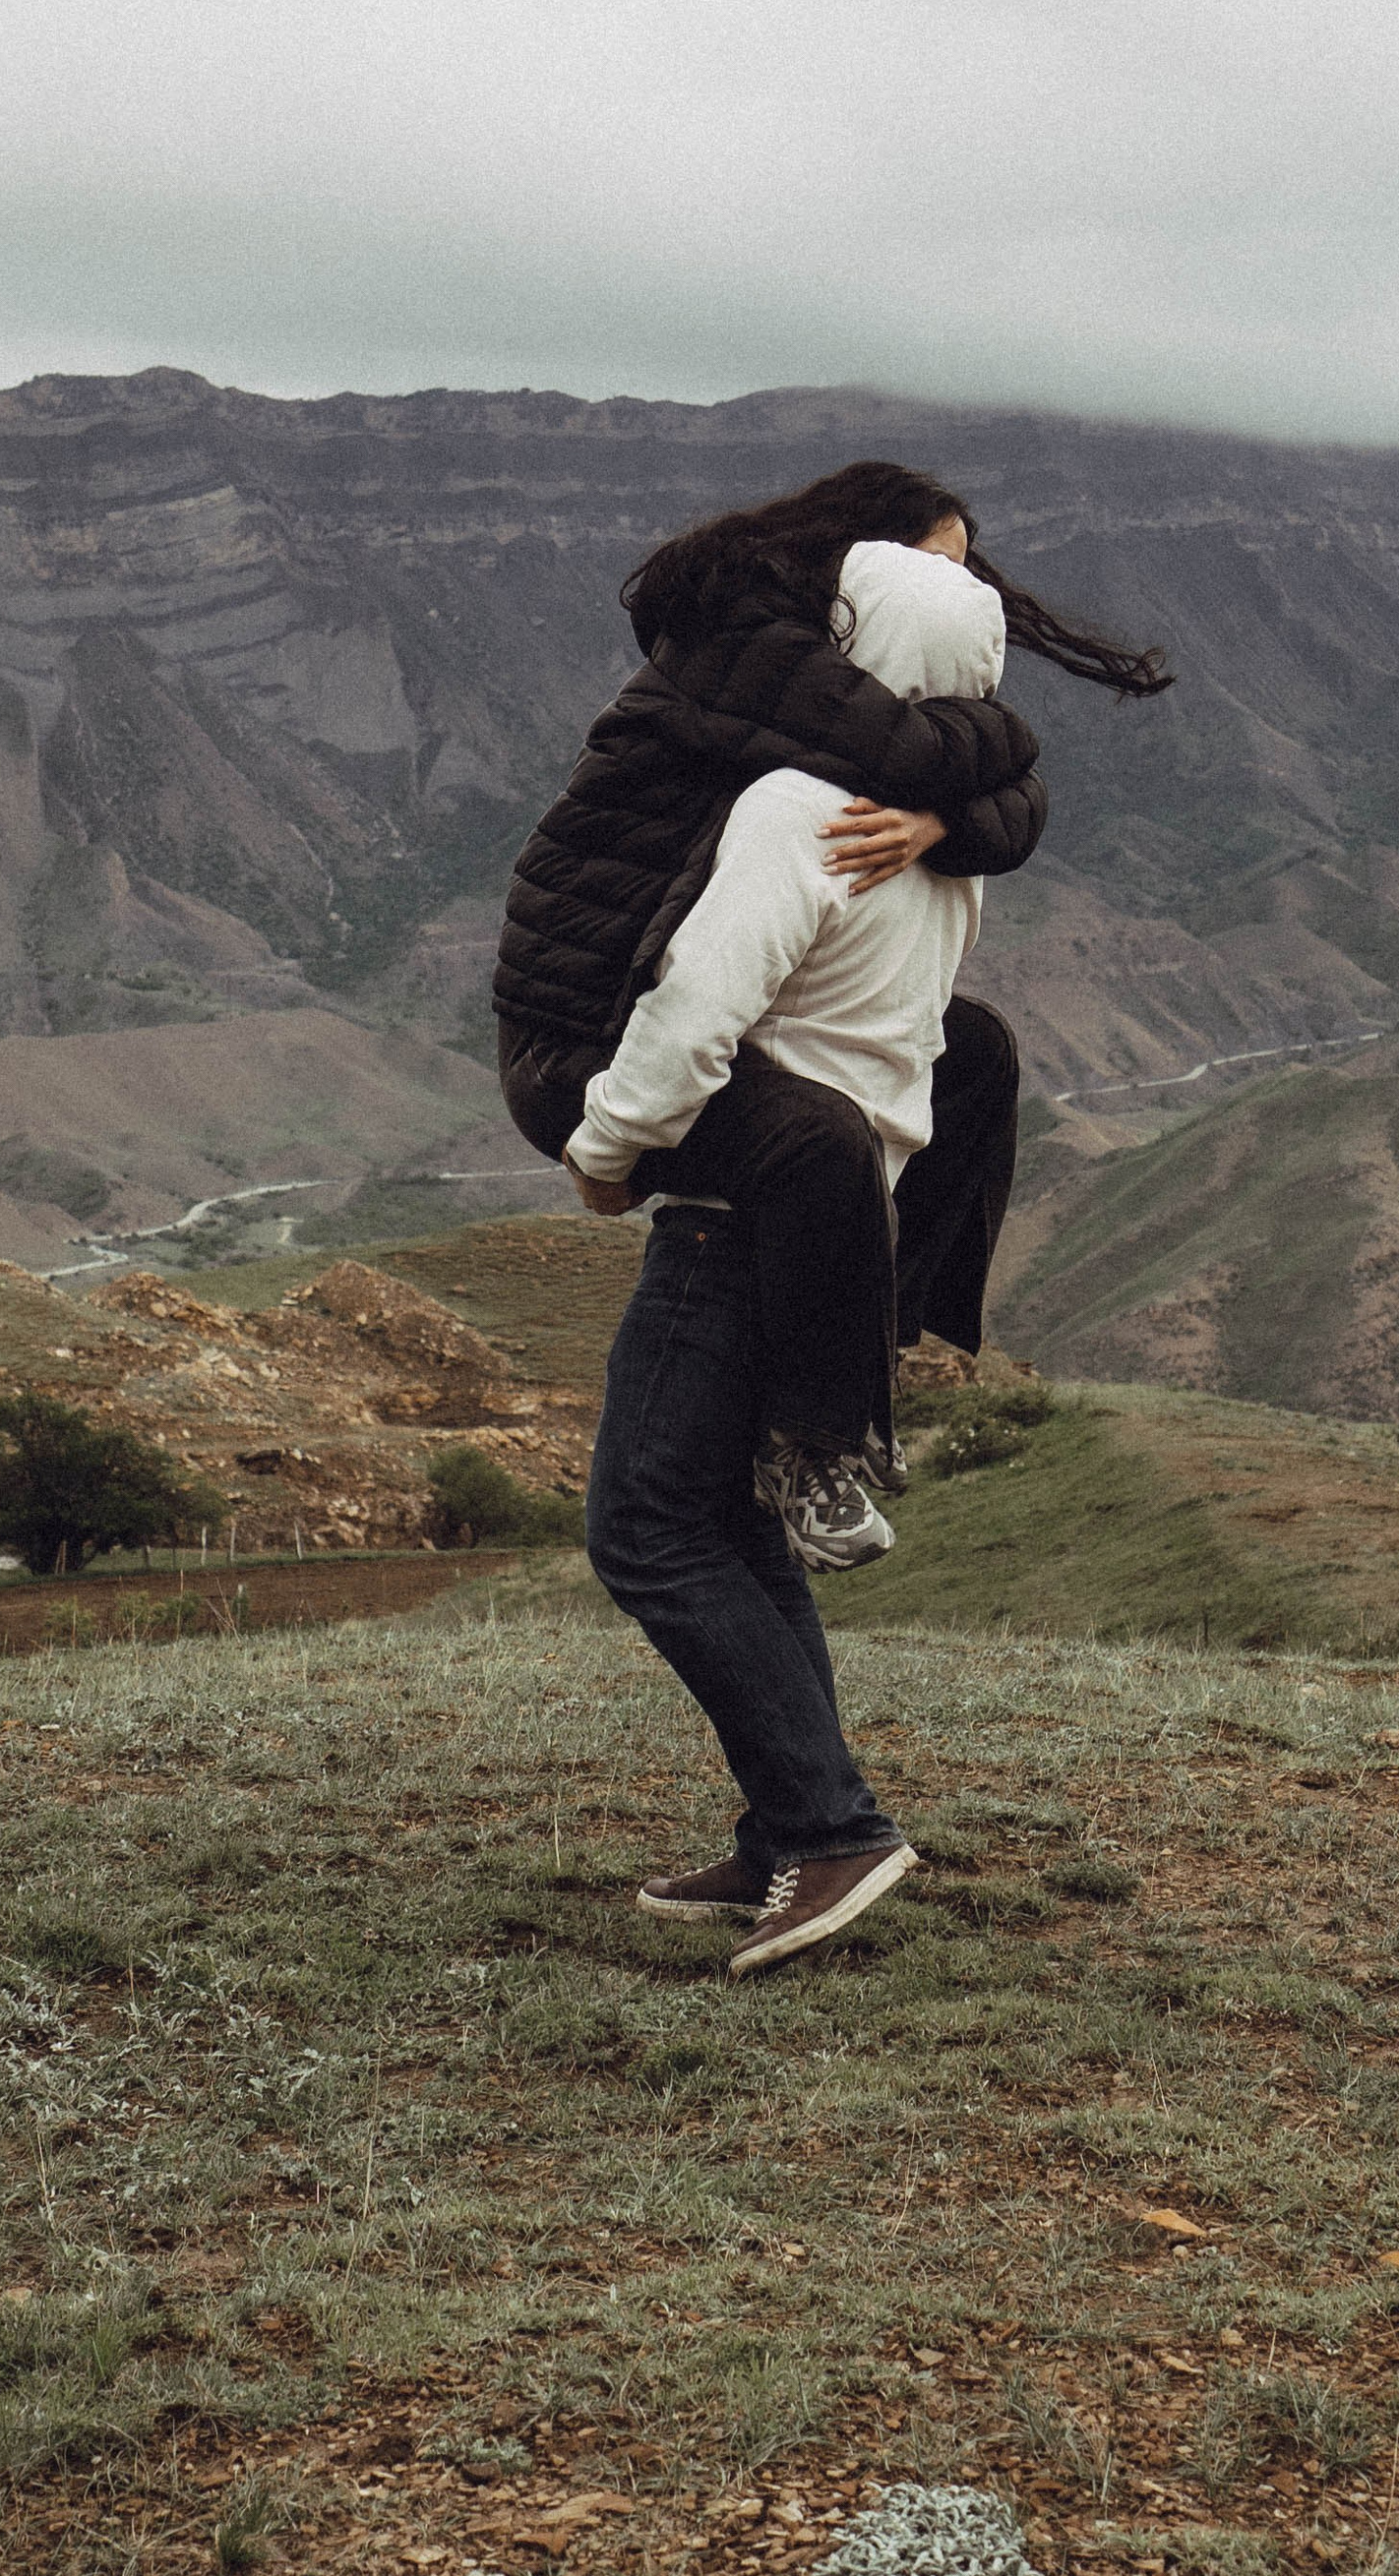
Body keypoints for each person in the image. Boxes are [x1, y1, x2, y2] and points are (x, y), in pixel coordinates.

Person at [494, 459, 1168, 1559]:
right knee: (819, 1136)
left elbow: (988, 787)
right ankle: (811, 1436)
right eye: (932, 572)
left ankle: (890, 1341)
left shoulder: (833, 685)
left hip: (694, 988)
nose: (952, 596)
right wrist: (605, 1149)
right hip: (593, 1026)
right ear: (857, 564)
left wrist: (942, 826)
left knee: (976, 1056)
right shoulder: (754, 646)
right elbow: (950, 751)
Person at [584, 538, 1012, 1972]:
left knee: (644, 1528)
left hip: (736, 1211)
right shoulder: (935, 838)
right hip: (850, 1213)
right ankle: (789, 1829)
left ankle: (832, 1827)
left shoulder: (801, 804)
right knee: (731, 1521)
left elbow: (705, 1002)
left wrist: (604, 1146)